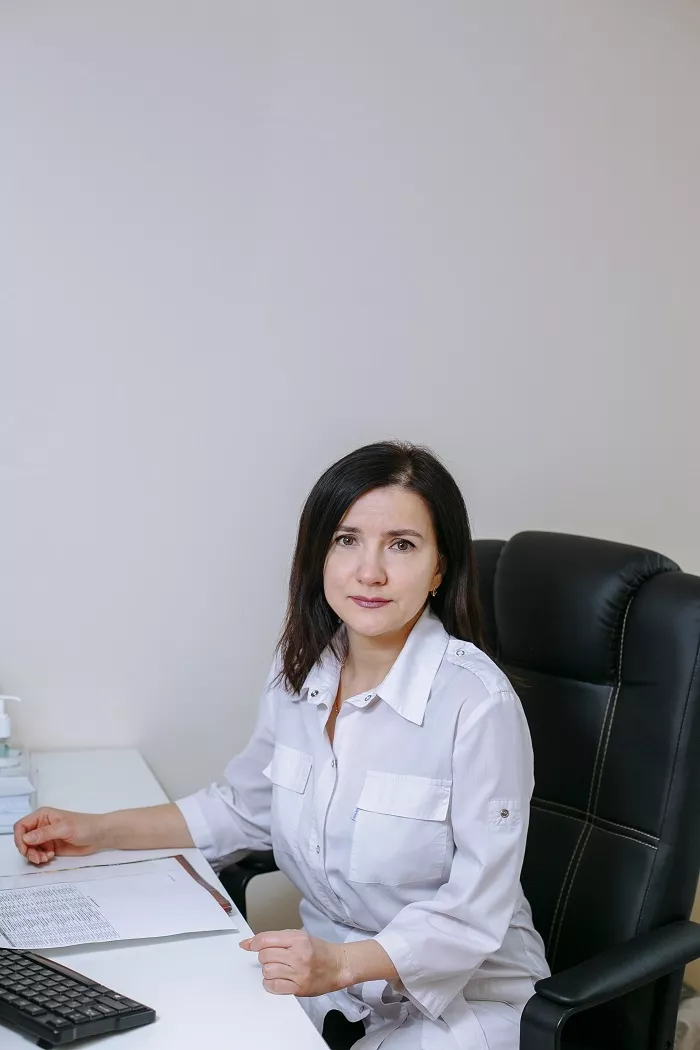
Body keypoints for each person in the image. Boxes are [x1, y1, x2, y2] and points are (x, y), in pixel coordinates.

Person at [15, 441, 549, 1049]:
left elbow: (473, 912)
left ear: (438, 569)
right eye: (346, 540)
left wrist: (343, 963)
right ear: (318, 554)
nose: (370, 571)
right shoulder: (302, 671)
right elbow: (244, 808)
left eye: (401, 545)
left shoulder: (478, 703)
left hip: (462, 1001)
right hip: (327, 986)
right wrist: (97, 830)